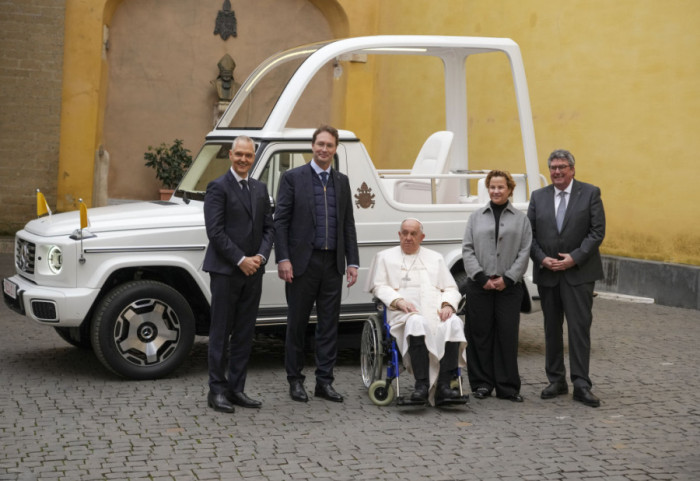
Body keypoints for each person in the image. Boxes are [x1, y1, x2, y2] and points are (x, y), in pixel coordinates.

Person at [274, 125, 360, 403]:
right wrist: (283, 258)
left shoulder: (342, 181)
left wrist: (353, 262)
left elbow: (347, 223)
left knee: (328, 325)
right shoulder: (292, 178)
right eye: (320, 144)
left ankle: (324, 382)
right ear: (312, 146)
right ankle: (295, 380)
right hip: (301, 264)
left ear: (335, 149)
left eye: (330, 145)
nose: (324, 149)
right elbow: (281, 221)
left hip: (332, 263)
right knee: (297, 324)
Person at [528, 149, 606, 408]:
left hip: (579, 274)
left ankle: (581, 384)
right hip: (548, 274)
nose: (557, 172)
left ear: (573, 169)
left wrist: (575, 257)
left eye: (562, 167)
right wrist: (542, 259)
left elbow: (597, 232)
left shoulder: (590, 193)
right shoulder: (538, 196)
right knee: (551, 329)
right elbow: (530, 235)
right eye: (553, 168)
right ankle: (556, 380)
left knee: (578, 329)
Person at [203, 136, 274, 413]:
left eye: (248, 155)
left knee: (245, 333)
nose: (243, 159)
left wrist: (260, 257)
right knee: (220, 333)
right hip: (225, 272)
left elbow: (270, 228)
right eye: (239, 154)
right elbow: (215, 231)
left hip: (254, 272)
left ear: (254, 158)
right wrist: (240, 259)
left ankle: (236, 389)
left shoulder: (259, 188)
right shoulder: (217, 187)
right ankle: (217, 391)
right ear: (230, 155)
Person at [366, 218, 467, 406]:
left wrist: (448, 305)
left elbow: (451, 288)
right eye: (404, 233)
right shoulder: (384, 257)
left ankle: (444, 385)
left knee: (454, 323)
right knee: (416, 322)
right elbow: (379, 287)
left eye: (413, 234)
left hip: (435, 311)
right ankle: (421, 384)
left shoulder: (435, 258)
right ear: (399, 234)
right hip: (403, 313)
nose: (408, 237)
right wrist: (398, 300)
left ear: (422, 237)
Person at [462, 170, 532, 402]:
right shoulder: (476, 217)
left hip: (509, 288)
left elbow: (524, 251)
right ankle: (481, 383)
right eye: (492, 187)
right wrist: (482, 278)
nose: (496, 191)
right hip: (479, 285)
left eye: (501, 187)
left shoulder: (521, 219)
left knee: (507, 335)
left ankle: (508, 387)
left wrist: (508, 279)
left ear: (510, 189)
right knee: (479, 335)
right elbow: (467, 249)